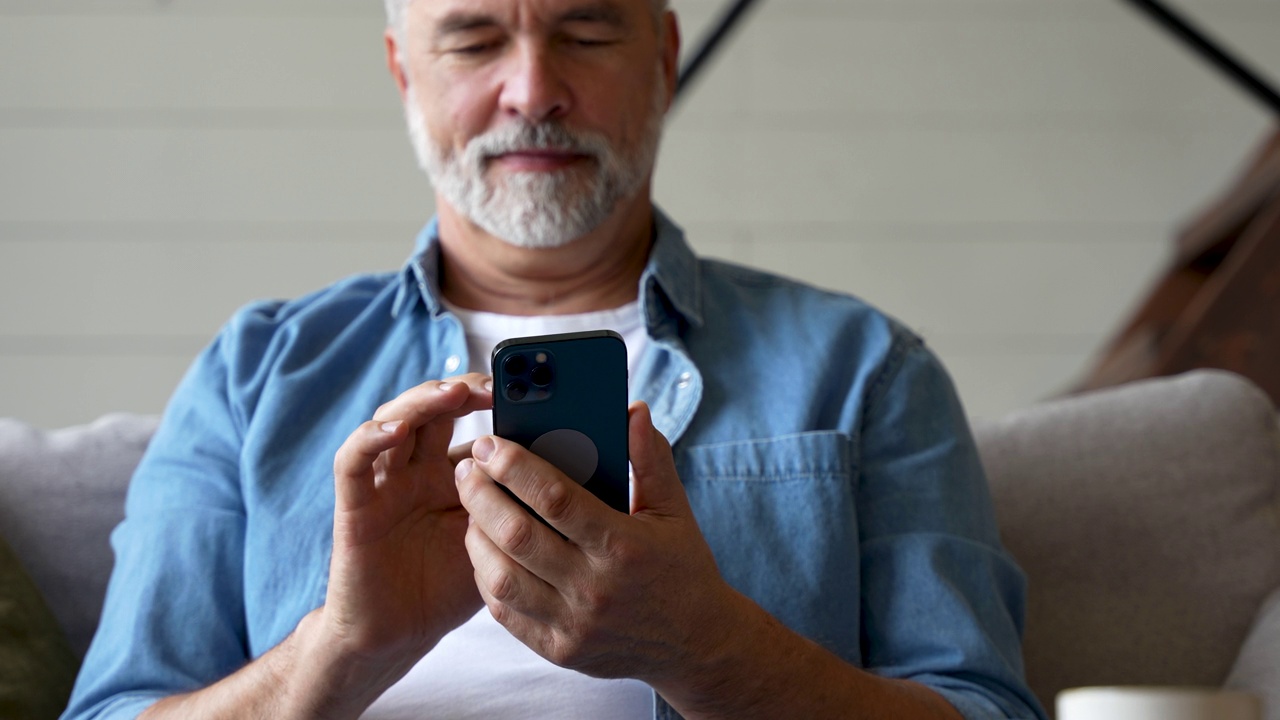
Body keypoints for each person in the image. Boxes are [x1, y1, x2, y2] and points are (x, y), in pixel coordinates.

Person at [63, 0, 1047, 718]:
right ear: (406, 71)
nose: (532, 90)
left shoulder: (862, 366)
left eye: (585, 32)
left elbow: (986, 712)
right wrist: (344, 647)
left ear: (661, 57)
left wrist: (706, 647)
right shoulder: (255, 374)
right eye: (474, 38)